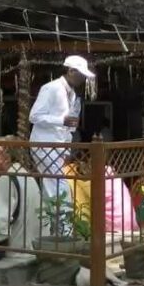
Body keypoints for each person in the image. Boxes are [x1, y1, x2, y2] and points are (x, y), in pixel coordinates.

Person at [29, 55, 94, 200]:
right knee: (60, 189)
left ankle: (51, 221)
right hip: (44, 145)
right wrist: (62, 121)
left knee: (52, 189)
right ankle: (65, 222)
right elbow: (34, 116)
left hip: (57, 148)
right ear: (71, 71)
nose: (84, 78)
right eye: (82, 74)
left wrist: (66, 150)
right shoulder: (51, 88)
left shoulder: (72, 94)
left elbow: (69, 126)